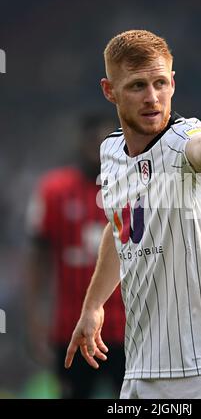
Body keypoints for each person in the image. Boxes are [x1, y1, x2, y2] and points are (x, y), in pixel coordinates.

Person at [65, 30, 201, 399]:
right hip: (139, 371)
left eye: (160, 83)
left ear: (173, 83)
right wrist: (93, 305)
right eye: (136, 86)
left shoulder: (183, 142)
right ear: (109, 90)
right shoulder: (111, 152)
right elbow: (121, 227)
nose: (152, 97)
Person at [25, 113, 125, 399]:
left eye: (105, 142)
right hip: (71, 327)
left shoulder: (131, 189)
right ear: (81, 142)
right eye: (93, 140)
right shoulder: (54, 191)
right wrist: (34, 317)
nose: (98, 149)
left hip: (128, 329)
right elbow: (36, 258)